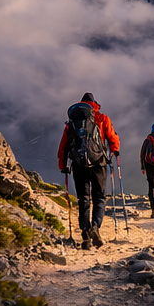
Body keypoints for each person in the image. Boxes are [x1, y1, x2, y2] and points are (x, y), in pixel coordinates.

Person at [57, 92, 120, 249]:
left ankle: (86, 237)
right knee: (99, 197)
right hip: (99, 163)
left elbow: (63, 147)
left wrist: (63, 166)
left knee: (83, 198)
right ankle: (95, 227)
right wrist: (114, 151)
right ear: (94, 105)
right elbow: (113, 138)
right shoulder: (102, 118)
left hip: (79, 164)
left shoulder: (71, 123)